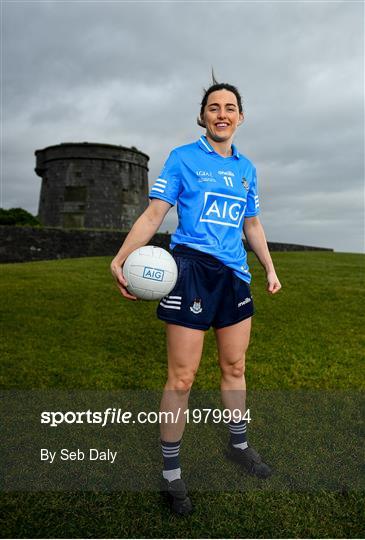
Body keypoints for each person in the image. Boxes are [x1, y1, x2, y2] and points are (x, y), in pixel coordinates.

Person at [110, 79, 281, 515]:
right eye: (213, 108)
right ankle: (171, 474)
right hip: (190, 272)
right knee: (182, 378)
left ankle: (238, 446)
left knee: (235, 366)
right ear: (202, 116)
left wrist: (269, 267)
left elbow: (253, 225)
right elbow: (154, 213)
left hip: (234, 276)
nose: (221, 114)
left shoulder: (247, 168)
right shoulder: (183, 158)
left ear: (241, 117)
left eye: (230, 107)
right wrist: (122, 257)